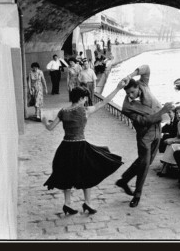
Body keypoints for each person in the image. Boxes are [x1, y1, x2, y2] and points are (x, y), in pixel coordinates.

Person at [43, 85, 124, 215]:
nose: (86, 100)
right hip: (80, 146)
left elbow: (50, 127)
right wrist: (118, 88)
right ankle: (87, 203)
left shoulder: (63, 111)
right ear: (81, 98)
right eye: (85, 98)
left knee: (66, 174)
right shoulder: (84, 110)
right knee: (87, 173)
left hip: (65, 147)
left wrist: (44, 121)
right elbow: (104, 102)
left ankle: (67, 203)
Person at [114, 64, 174, 207]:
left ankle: (124, 180)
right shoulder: (127, 107)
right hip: (145, 135)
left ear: (137, 88)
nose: (130, 96)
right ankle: (137, 195)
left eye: (132, 92)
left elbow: (147, 68)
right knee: (145, 164)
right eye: (127, 93)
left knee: (145, 161)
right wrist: (163, 111)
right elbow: (144, 121)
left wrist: (131, 74)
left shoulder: (143, 85)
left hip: (157, 131)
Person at [158, 105, 180, 177]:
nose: (178, 115)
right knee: (169, 144)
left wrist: (173, 141)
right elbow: (178, 137)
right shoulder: (179, 123)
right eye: (177, 113)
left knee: (172, 146)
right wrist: (169, 139)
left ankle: (165, 169)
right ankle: (164, 167)